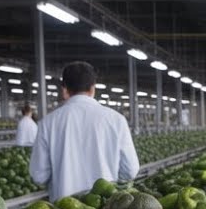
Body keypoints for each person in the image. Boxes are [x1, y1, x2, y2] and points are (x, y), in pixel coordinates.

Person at [30, 61, 140, 200]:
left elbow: (39, 176)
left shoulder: (48, 123)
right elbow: (130, 171)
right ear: (93, 88)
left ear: (64, 90)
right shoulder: (116, 119)